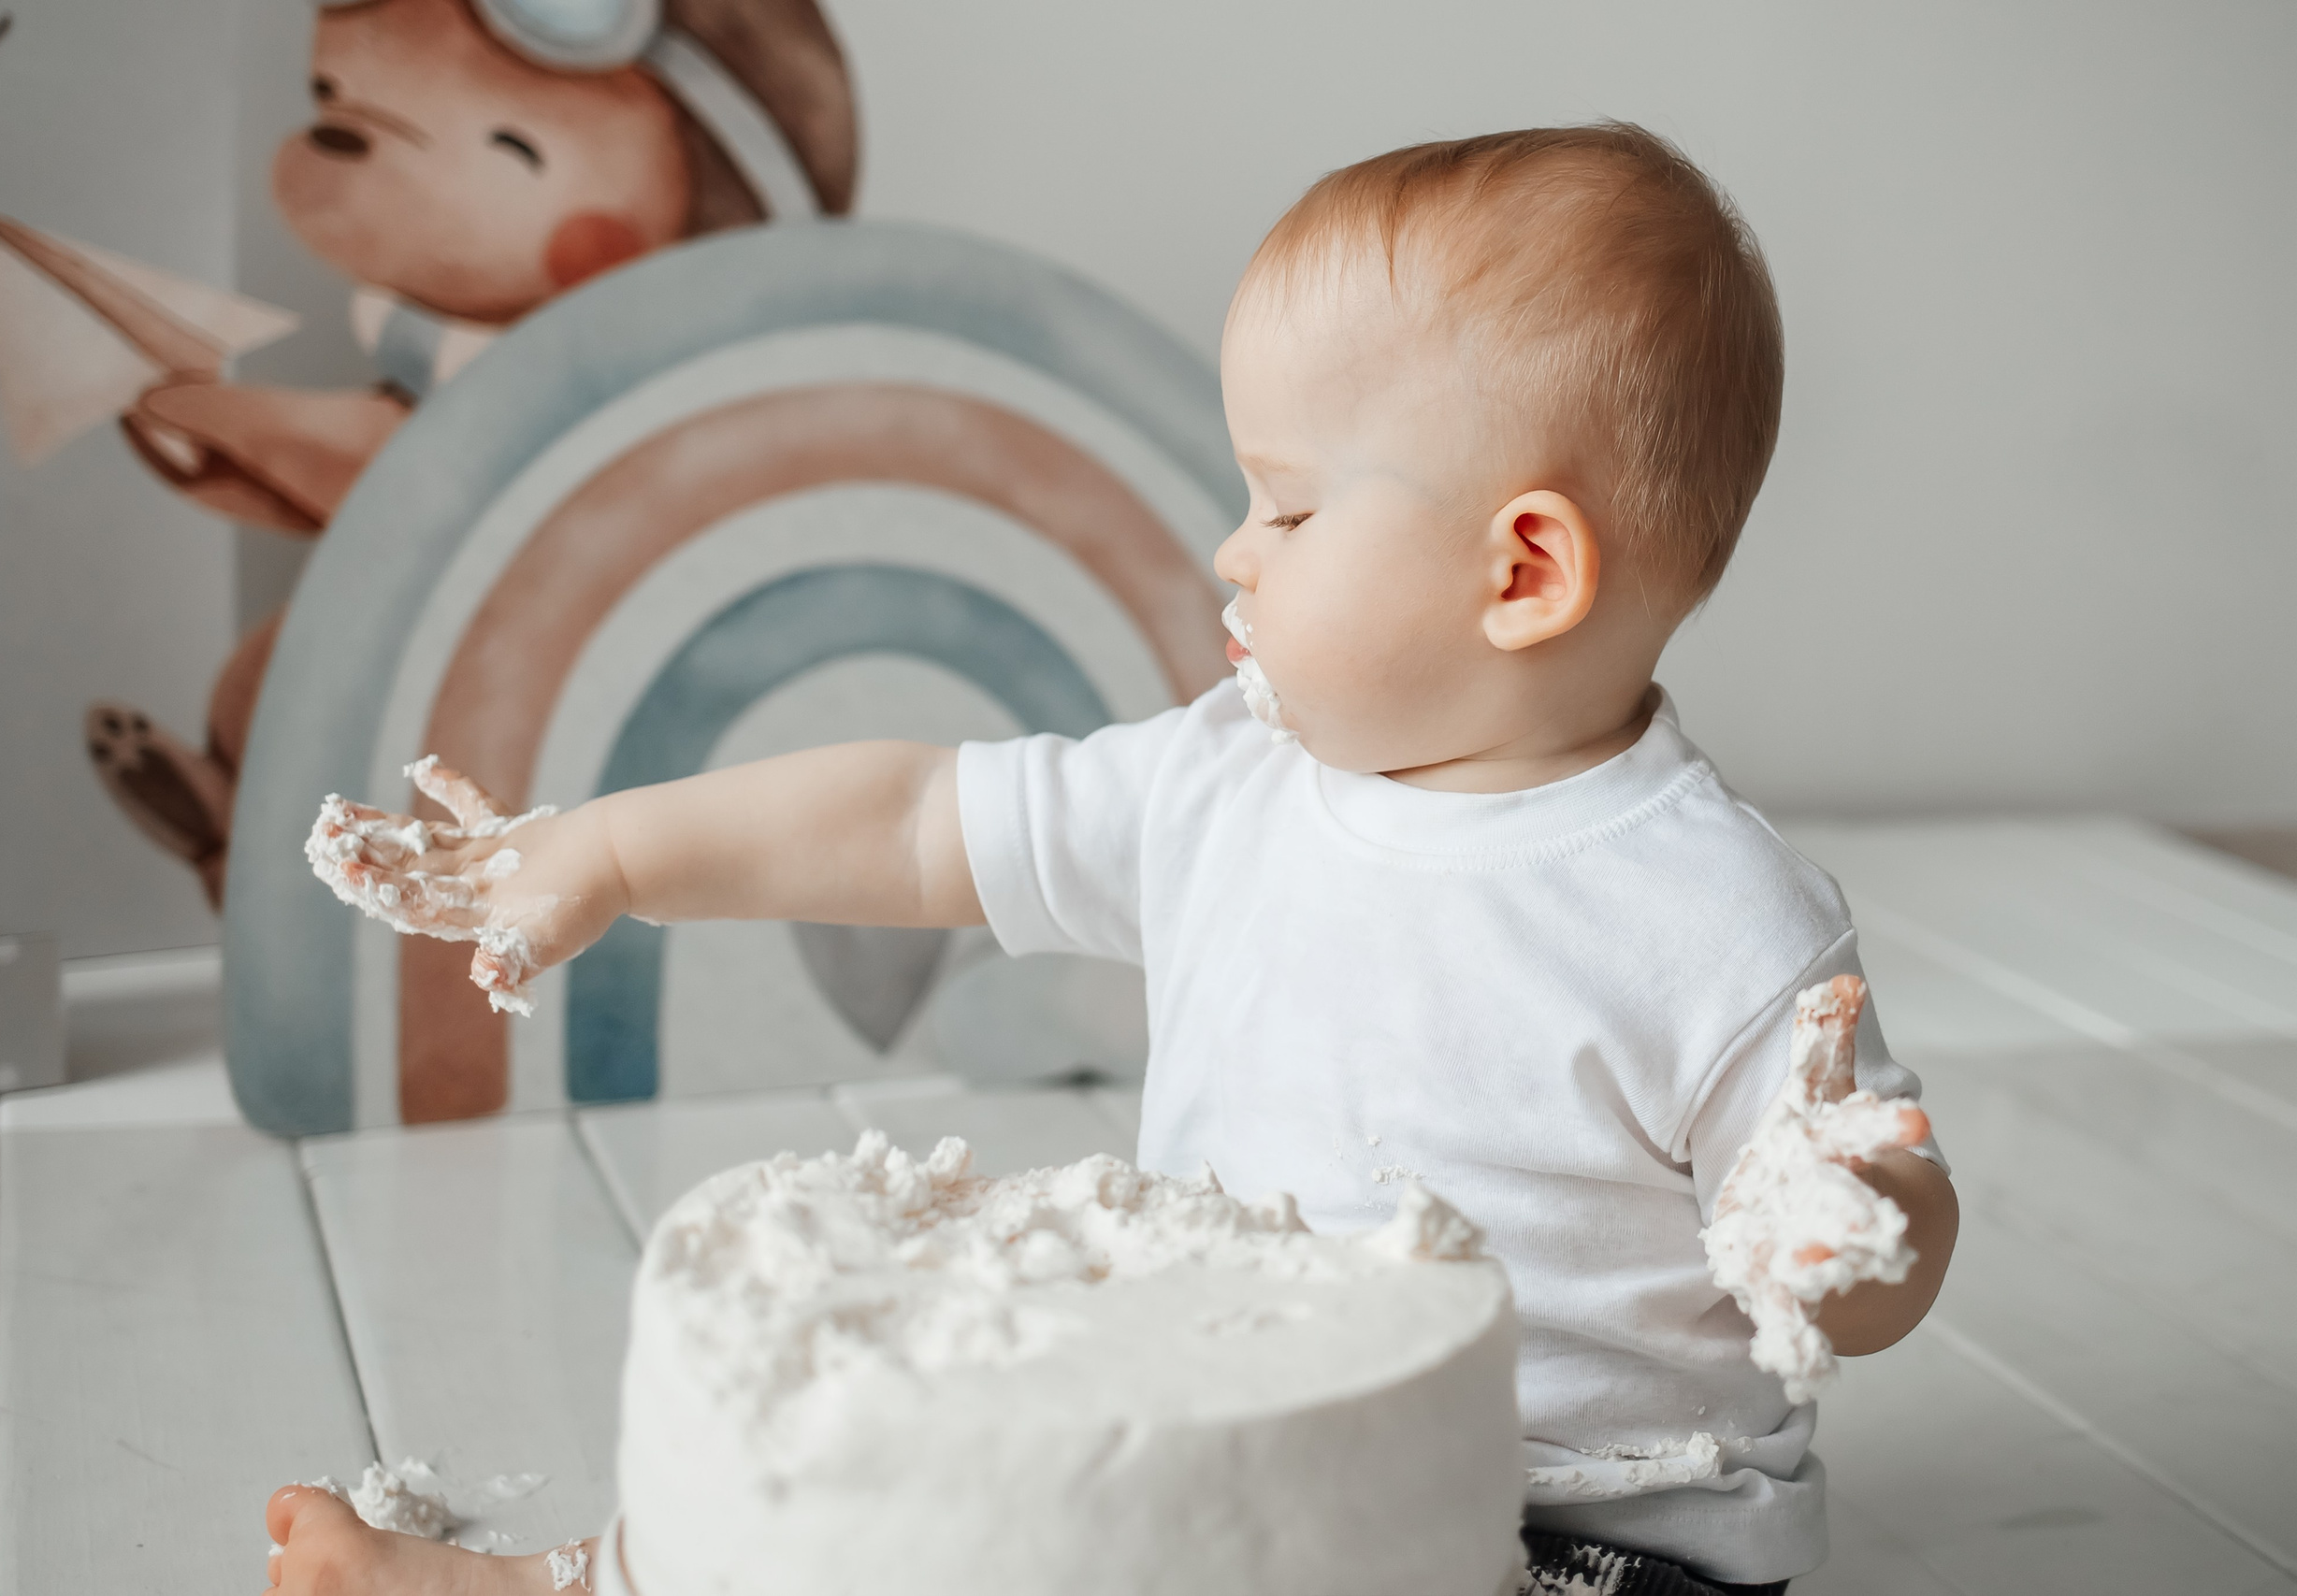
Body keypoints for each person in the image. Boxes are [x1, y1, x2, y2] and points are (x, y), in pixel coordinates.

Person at [272, 122, 1958, 1596]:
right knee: (917, 1485)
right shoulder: (1222, 785)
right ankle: (583, 1581)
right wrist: (619, 849)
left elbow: (1879, 1234)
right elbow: (912, 822)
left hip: (1579, 1534)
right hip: (1223, 1452)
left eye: (1287, 508)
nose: (1234, 548)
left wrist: (1841, 1235)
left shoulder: (1714, 919)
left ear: (1520, 574)